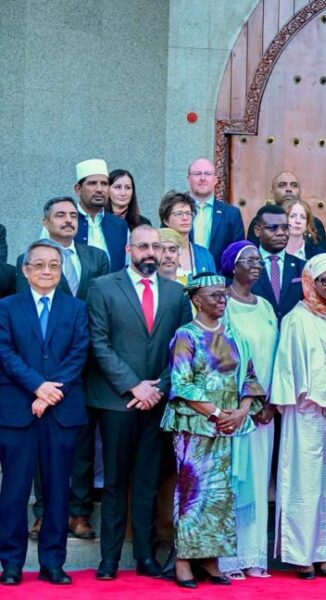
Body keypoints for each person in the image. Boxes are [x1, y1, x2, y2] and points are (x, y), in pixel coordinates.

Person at [86, 225, 192, 580]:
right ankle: (109, 560)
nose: (151, 252)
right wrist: (134, 386)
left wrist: (158, 387)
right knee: (115, 483)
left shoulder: (176, 293)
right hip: (117, 402)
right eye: (143, 246)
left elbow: (183, 347)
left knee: (147, 482)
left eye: (156, 247)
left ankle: (145, 557)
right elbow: (99, 343)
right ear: (129, 249)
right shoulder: (103, 287)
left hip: (157, 403)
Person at [161, 274, 265, 589]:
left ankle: (210, 558)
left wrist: (242, 412)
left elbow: (250, 378)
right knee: (192, 493)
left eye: (224, 295)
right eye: (215, 295)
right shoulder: (186, 335)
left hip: (228, 427)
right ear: (197, 300)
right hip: (195, 426)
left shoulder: (234, 335)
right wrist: (218, 414)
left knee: (220, 494)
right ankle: (183, 560)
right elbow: (182, 383)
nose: (222, 300)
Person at [19, 198, 110, 540]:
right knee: (41, 445)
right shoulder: (29, 260)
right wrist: (40, 382)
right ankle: (43, 513)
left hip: (85, 365)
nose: (69, 220)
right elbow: (26, 319)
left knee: (82, 445)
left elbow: (100, 308)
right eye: (61, 215)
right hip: (40, 375)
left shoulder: (96, 257)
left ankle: (79, 512)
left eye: (73, 215)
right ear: (46, 221)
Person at [0, 240, 89, 586]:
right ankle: (11, 563)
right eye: (39, 265)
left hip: (61, 412)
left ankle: (53, 563)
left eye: (53, 265)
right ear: (25, 270)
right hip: (17, 412)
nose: (47, 271)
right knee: (15, 491)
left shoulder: (76, 308)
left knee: (57, 490)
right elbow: (5, 353)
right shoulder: (6, 307)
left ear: (61, 270)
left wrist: (50, 395)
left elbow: (78, 353)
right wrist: (38, 386)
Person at [271, 253, 326, 578]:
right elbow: (289, 369)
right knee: (305, 483)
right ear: (311, 281)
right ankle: (302, 555)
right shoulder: (297, 318)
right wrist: (323, 400)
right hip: (307, 413)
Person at [217, 242, 280, 579]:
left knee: (257, 481)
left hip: (263, 412)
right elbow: (223, 357)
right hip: (232, 412)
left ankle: (253, 556)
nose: (256, 265)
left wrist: (269, 402)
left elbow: (277, 356)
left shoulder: (266, 306)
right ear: (232, 265)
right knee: (232, 481)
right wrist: (246, 403)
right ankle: (228, 560)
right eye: (249, 260)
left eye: (259, 260)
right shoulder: (222, 304)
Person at [247, 171, 326, 252]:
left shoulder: (314, 222)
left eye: (294, 185)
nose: (289, 189)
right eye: (282, 185)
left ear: (299, 192)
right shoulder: (261, 221)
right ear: (273, 192)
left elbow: (322, 256)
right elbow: (251, 254)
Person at [249, 204, 304, 323]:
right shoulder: (245, 266)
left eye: (285, 227)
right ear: (258, 230)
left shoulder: (303, 266)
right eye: (272, 228)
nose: (281, 233)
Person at [72, 159, 129, 271]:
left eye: (104, 184)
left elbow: (128, 266)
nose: (99, 189)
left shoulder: (120, 225)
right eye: (92, 183)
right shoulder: (63, 222)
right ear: (78, 189)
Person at [186, 158, 245, 266]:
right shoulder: (174, 211)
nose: (203, 178)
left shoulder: (232, 214)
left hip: (219, 276)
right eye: (197, 174)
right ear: (189, 179)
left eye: (208, 174)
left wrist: (219, 276)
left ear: (215, 180)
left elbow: (237, 254)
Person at [158, 191, 217, 279]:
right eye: (179, 214)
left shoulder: (204, 254)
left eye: (188, 213)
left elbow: (213, 285)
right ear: (165, 220)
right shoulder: (157, 252)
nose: (185, 218)